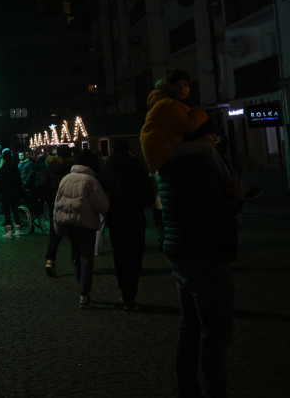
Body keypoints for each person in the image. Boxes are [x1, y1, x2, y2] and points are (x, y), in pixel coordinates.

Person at [158, 118, 247, 398]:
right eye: (211, 136)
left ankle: (187, 387)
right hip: (205, 251)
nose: (215, 141)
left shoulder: (168, 163)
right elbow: (214, 211)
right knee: (215, 333)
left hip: (180, 248)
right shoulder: (199, 166)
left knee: (190, 326)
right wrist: (237, 197)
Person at [99, 138, 154, 311]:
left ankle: (125, 291)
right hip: (135, 217)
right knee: (135, 257)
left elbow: (102, 194)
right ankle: (132, 293)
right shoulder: (136, 166)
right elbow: (148, 193)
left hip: (116, 219)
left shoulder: (107, 168)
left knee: (120, 256)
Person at [53, 149, 110, 309]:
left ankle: (81, 289)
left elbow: (57, 205)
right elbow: (102, 206)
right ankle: (84, 294)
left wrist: (58, 227)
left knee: (76, 256)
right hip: (86, 224)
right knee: (86, 259)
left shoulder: (65, 179)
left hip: (70, 224)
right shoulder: (90, 181)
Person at [43, 145, 74, 277]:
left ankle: (50, 260)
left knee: (55, 234)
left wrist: (49, 200)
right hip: (70, 203)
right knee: (74, 233)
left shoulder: (49, 168)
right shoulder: (71, 169)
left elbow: (42, 184)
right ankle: (75, 259)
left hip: (54, 204)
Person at [0, 149, 23, 238]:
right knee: (15, 211)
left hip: (6, 193)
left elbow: (0, 183)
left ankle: (10, 231)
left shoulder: (2, 169)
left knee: (7, 212)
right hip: (15, 192)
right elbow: (19, 180)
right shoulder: (16, 168)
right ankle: (18, 231)